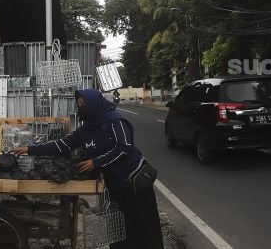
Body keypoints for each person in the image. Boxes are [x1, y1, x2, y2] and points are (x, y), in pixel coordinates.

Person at [13, 89, 164, 249]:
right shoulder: (86, 130)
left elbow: (123, 147)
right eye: (79, 105)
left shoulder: (114, 122)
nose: (81, 108)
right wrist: (30, 149)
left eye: (84, 104)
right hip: (115, 186)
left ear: (94, 104)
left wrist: (96, 162)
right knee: (120, 230)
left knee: (145, 228)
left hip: (134, 184)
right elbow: (62, 145)